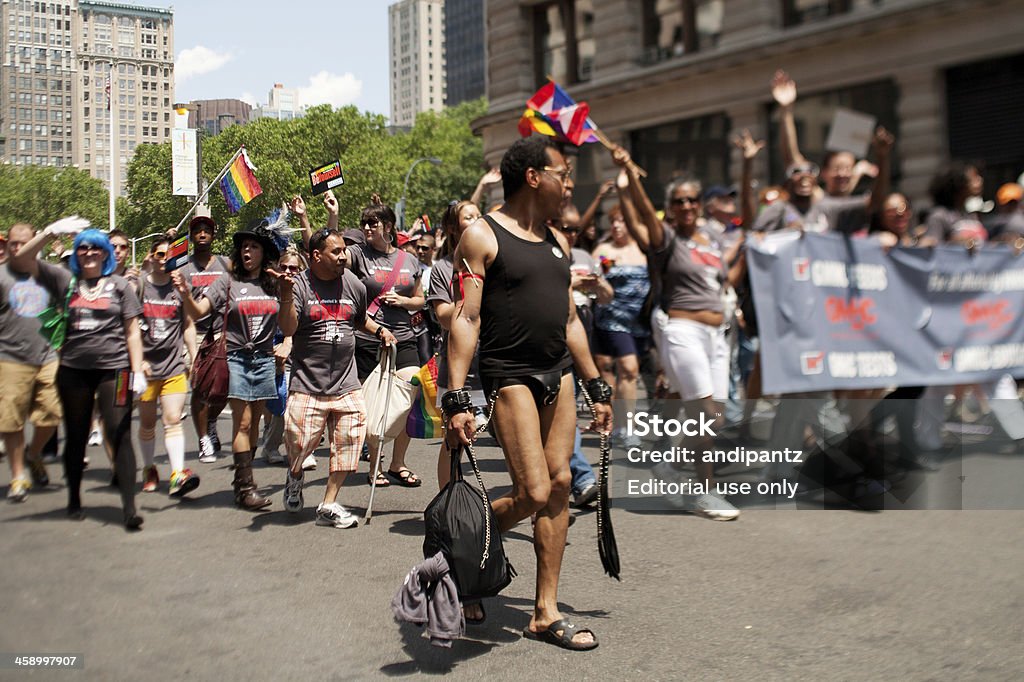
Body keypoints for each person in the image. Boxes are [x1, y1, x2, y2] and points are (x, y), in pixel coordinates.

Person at [446, 136, 613, 650]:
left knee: (560, 484)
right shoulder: (481, 235)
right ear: (534, 177)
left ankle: (544, 612)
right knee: (533, 493)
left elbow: (569, 319)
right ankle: (460, 547)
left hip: (557, 373)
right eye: (562, 173)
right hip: (509, 375)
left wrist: (595, 384)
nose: (569, 184)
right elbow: (465, 317)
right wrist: (455, 397)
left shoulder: (557, 242)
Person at [612, 144, 746, 520]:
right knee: (704, 413)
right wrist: (631, 182)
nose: (687, 207)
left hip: (718, 337)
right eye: (680, 202)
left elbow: (724, 281)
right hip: (683, 331)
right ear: (671, 207)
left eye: (692, 201)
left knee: (715, 418)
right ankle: (705, 492)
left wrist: (746, 255)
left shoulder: (712, 241)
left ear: (700, 204)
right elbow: (645, 219)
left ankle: (670, 465)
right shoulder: (667, 239)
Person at [12, 224, 146, 529]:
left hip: (118, 371)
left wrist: (137, 371)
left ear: (106, 253)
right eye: (83, 247)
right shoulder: (64, 281)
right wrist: (48, 233)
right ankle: (73, 497)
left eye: (96, 247)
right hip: (73, 371)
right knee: (76, 434)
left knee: (120, 432)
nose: (89, 253)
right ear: (77, 253)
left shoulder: (120, 286)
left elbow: (132, 332)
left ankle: (129, 508)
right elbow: (21, 261)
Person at [278, 227, 397, 528]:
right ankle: (294, 476)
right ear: (316, 256)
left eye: (344, 250)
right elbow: (289, 328)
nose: (344, 256)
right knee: (299, 444)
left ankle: (328, 503)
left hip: (346, 383)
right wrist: (285, 296)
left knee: (349, 442)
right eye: (336, 251)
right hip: (307, 384)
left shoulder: (354, 285)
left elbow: (360, 320)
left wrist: (380, 331)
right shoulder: (301, 285)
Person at [172, 220, 284, 511]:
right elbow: (199, 311)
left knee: (255, 426)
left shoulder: (273, 282)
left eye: (253, 247)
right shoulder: (228, 281)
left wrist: (286, 291)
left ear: (264, 252)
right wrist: (185, 294)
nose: (247, 251)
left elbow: (287, 323)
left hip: (264, 359)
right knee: (243, 422)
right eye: (243, 247)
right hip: (235, 356)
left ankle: (241, 478)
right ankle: (245, 488)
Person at [347, 196, 425, 488]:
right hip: (368, 339)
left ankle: (398, 463)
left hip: (404, 339)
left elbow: (420, 300)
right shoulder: (358, 254)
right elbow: (328, 250)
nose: (367, 227)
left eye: (373, 222)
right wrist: (331, 214)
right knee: (374, 406)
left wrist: (404, 301)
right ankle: (374, 467)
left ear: (389, 227)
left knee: (409, 394)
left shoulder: (409, 260)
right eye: (364, 223)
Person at [0, 223, 66, 501]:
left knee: (52, 415)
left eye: (23, 243)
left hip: (48, 355)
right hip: (10, 357)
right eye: (13, 244)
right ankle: (18, 477)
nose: (18, 248)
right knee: (11, 423)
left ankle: (33, 453)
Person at [136, 237, 199, 498]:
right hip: (147, 370)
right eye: (160, 255)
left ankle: (177, 474)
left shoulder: (179, 288)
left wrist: (194, 356)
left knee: (173, 420)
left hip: (173, 367)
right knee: (148, 424)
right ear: (151, 257)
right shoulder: (139, 287)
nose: (164, 260)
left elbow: (188, 324)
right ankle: (149, 468)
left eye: (168, 255)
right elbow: (129, 328)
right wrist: (138, 361)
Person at [591, 202, 651, 448]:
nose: (615, 225)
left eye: (621, 221)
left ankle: (615, 424)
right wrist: (601, 283)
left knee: (623, 373)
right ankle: (627, 427)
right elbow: (593, 279)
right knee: (628, 369)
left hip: (640, 320)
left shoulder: (643, 249)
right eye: (613, 221)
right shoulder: (604, 250)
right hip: (611, 319)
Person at [177, 210, 232, 463]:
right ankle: (203, 440)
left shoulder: (226, 264)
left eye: (206, 231)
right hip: (196, 335)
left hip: (223, 334)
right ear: (191, 236)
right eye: (197, 231)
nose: (202, 234)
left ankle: (211, 420)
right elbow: (185, 313)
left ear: (213, 235)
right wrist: (190, 349)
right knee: (199, 389)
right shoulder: (184, 269)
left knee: (223, 391)